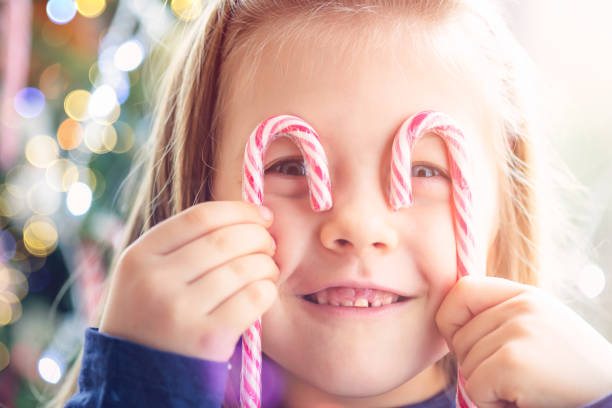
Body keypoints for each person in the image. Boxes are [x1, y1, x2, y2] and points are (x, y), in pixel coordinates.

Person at [47, 0, 612, 407]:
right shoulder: (142, 391)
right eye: (290, 167)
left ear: (500, 212)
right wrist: (141, 385)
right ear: (200, 191)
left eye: (422, 170)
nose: (359, 226)